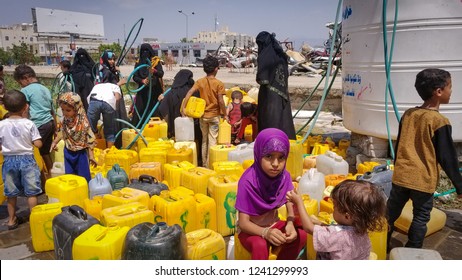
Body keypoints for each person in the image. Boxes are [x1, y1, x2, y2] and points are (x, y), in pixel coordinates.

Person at [387, 68, 462, 249]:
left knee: (390, 213)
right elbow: (448, 157)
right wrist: (459, 186)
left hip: (402, 176)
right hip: (423, 179)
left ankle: (381, 243)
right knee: (420, 217)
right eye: (450, 87)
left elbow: (399, 147)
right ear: (438, 92)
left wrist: (398, 167)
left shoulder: (408, 114)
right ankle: (412, 251)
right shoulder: (439, 121)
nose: (451, 91)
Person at [235, 128, 307, 260]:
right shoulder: (247, 181)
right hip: (251, 230)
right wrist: (265, 232)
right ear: (258, 154)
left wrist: (290, 223)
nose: (275, 164)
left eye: (281, 158)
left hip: (274, 224)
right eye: (269, 156)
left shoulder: (284, 176)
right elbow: (244, 223)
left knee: (300, 235)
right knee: (259, 244)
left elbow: (290, 202)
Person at [287, 180, 387, 260]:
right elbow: (341, 231)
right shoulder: (361, 229)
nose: (332, 209)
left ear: (347, 216)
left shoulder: (338, 236)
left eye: (335, 207)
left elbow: (309, 228)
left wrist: (299, 201)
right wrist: (321, 224)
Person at [0, 90, 43, 230]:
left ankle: (11, 220)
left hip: (9, 160)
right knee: (32, 192)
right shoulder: (29, 124)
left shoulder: (1, 125)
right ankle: (34, 219)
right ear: (25, 107)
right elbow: (38, 144)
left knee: (11, 193)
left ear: (4, 107)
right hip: (27, 160)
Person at [181, 55, 227, 168]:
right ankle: (211, 166)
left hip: (203, 116)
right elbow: (221, 101)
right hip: (214, 117)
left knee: (204, 141)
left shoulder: (200, 81)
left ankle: (204, 165)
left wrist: (183, 108)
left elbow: (189, 93)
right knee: (213, 141)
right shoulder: (219, 84)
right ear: (216, 69)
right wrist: (225, 114)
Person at [13, 65, 56, 176]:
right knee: (45, 152)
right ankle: (51, 177)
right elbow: (52, 110)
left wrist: (22, 126)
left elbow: (25, 110)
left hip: (38, 125)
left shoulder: (25, 90)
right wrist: (55, 127)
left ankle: (39, 181)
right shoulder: (45, 88)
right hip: (49, 124)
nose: (20, 84)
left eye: (20, 82)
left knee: (32, 154)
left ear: (26, 78)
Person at [255, 31, 296, 140]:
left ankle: (271, 142)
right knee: (283, 119)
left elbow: (262, 78)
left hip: (269, 95)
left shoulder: (264, 56)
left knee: (270, 119)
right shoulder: (281, 56)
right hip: (282, 93)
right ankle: (285, 140)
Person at [50, 92, 96, 182]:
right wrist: (55, 142)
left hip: (81, 153)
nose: (64, 113)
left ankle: (83, 194)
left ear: (76, 109)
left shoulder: (83, 123)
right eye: (62, 110)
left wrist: (91, 156)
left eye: (68, 110)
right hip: (68, 151)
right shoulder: (64, 121)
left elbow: (90, 139)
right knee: (70, 177)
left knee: (83, 178)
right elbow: (61, 132)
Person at [96, 50, 128, 148]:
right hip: (111, 101)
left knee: (120, 121)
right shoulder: (105, 71)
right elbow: (105, 86)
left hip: (117, 98)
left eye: (113, 59)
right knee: (113, 123)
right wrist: (119, 84)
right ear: (105, 59)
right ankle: (114, 146)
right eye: (110, 59)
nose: (112, 61)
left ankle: (119, 144)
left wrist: (116, 71)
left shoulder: (110, 69)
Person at [131, 43, 164, 128]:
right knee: (140, 110)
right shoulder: (138, 62)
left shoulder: (155, 61)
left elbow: (161, 74)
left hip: (154, 91)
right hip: (142, 92)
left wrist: (154, 71)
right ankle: (138, 129)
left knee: (154, 111)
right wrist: (142, 80)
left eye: (147, 51)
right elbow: (135, 76)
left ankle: (154, 130)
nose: (145, 53)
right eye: (143, 51)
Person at [86, 83, 122, 148]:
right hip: (109, 102)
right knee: (109, 130)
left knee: (90, 128)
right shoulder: (116, 86)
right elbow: (117, 98)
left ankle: (91, 152)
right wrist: (115, 109)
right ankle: (109, 152)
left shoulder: (97, 86)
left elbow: (89, 100)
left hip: (94, 100)